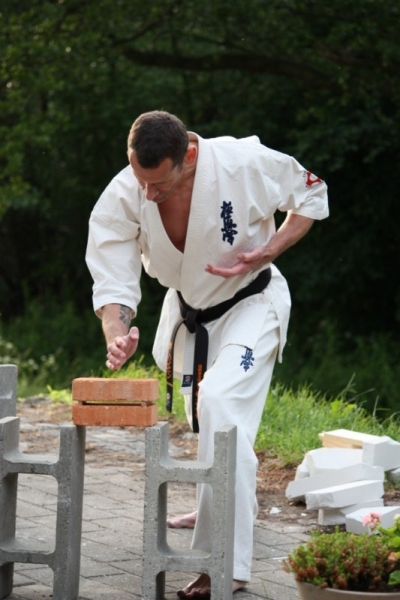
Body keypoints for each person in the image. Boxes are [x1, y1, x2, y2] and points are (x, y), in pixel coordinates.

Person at [86, 110, 329, 598]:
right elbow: (113, 277)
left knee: (220, 403)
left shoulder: (243, 162)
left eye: (159, 184)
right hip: (191, 312)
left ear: (190, 156)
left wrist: (271, 249)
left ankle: (225, 563)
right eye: (140, 179)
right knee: (209, 417)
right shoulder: (124, 192)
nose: (147, 194)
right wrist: (117, 333)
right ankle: (215, 505)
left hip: (251, 303)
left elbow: (312, 192)